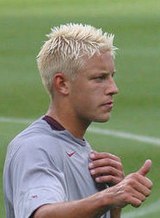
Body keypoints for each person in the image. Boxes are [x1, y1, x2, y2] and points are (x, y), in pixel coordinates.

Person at [3, 23, 153, 218]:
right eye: (100, 78)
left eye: (111, 77)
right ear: (62, 84)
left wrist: (115, 205)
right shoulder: (35, 147)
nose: (113, 88)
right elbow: (41, 215)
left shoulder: (85, 153)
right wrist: (108, 197)